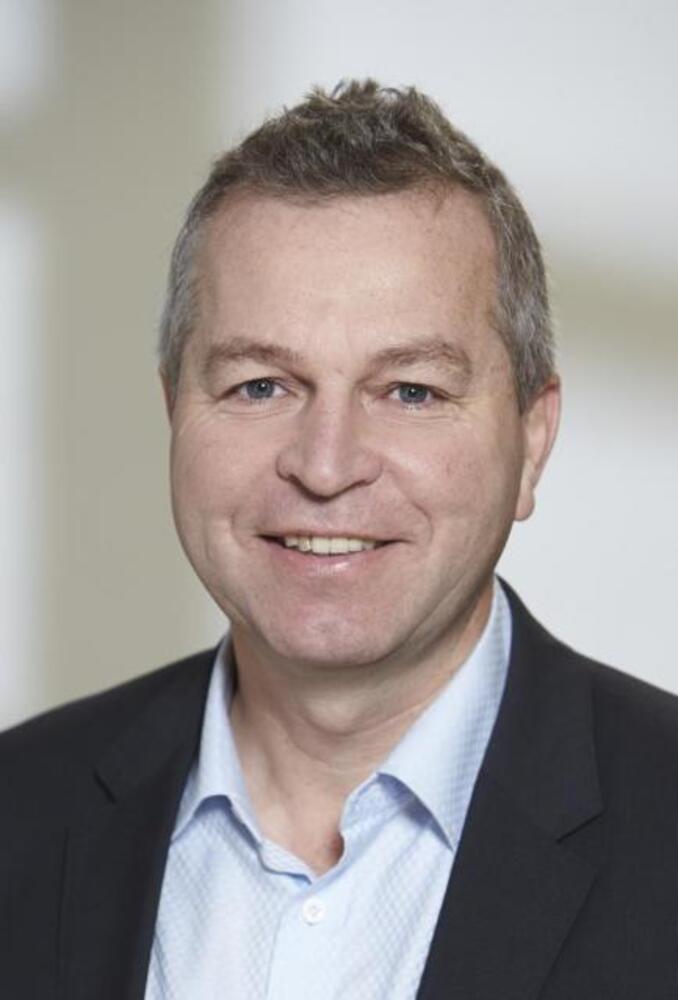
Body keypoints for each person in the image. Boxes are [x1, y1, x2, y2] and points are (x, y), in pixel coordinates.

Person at [2, 80, 677, 1000]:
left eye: (411, 391)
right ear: (175, 413)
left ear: (531, 440)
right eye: (260, 386)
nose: (325, 467)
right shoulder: (17, 812)